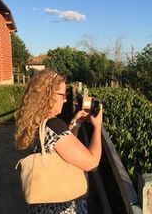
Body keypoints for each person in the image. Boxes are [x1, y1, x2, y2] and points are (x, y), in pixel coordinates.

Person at [14, 68, 103, 214]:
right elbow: (92, 163)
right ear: (46, 96)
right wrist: (97, 127)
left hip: (43, 206)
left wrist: (75, 123)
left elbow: (63, 148)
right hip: (62, 208)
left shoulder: (38, 123)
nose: (65, 99)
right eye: (61, 95)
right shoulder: (54, 125)